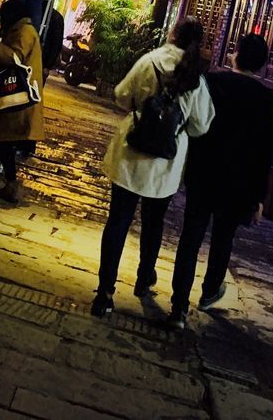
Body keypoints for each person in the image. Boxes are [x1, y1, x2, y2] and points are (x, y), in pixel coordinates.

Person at [91, 18, 214, 318]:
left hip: (131, 154)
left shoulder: (149, 60)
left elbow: (122, 96)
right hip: (165, 163)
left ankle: (105, 292)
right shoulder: (195, 77)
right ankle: (144, 277)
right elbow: (201, 126)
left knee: (118, 221)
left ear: (172, 35)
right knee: (154, 222)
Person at [169, 33, 273, 327]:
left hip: (204, 172)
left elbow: (196, 123)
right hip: (238, 182)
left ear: (236, 56)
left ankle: (178, 304)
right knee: (223, 237)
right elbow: (264, 150)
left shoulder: (213, 82)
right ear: (263, 64)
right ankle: (209, 291)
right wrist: (259, 196)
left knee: (191, 236)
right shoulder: (267, 100)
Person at [0, 0, 44, 205]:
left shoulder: (23, 32)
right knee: (3, 142)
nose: (0, 19)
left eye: (2, 15)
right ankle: (11, 186)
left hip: (14, 98)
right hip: (15, 96)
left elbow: (14, 57)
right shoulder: (22, 30)